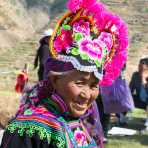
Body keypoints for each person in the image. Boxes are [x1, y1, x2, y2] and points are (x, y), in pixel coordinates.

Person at [0, 0, 128, 147]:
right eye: (80, 83)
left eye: (93, 85)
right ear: (55, 80)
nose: (87, 94)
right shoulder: (28, 129)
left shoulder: (79, 122)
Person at [129, 57, 148, 129]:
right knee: (125, 97)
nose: (139, 68)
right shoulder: (135, 75)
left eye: (142, 66)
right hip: (140, 100)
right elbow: (130, 89)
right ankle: (122, 119)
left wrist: (144, 80)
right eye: (139, 66)